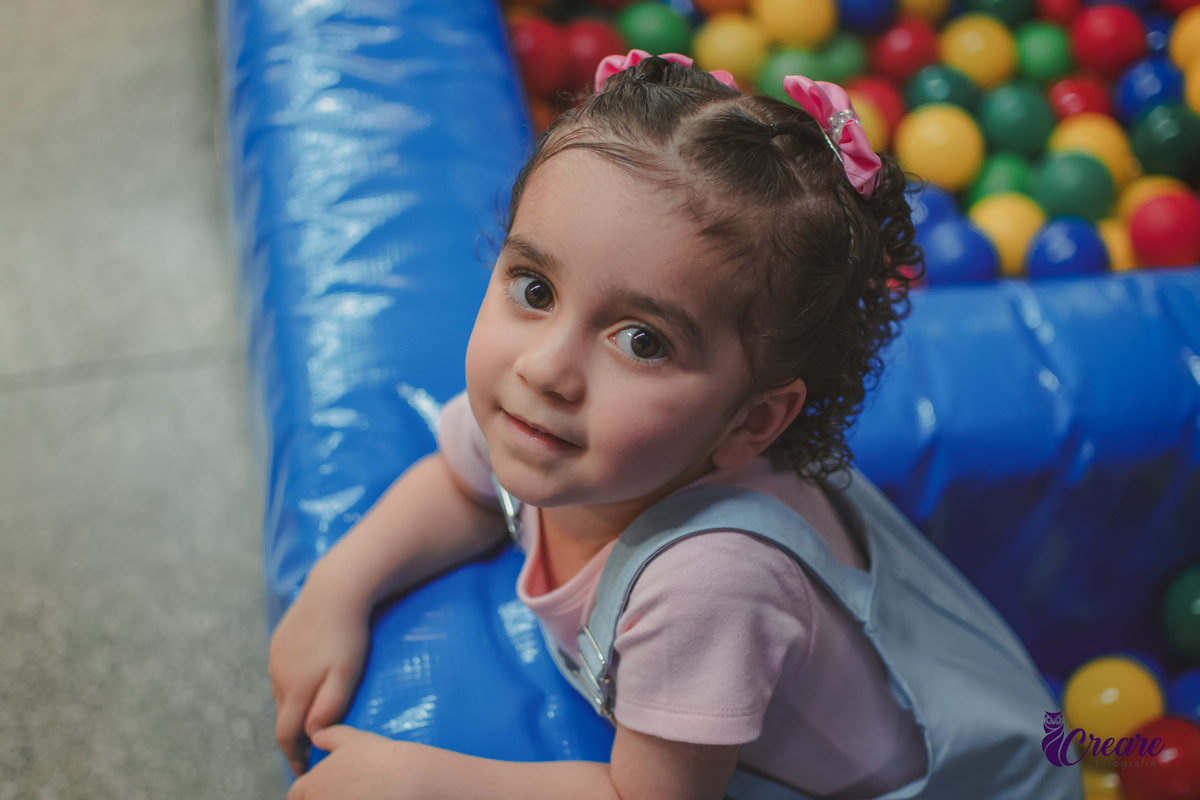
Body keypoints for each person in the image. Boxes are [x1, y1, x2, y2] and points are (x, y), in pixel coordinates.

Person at [268, 51, 1080, 800]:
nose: (547, 367)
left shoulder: (710, 582)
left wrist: (423, 782)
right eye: (535, 287)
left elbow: (650, 796)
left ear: (751, 420)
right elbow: (464, 482)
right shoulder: (551, 420)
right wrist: (338, 591)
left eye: (642, 341)